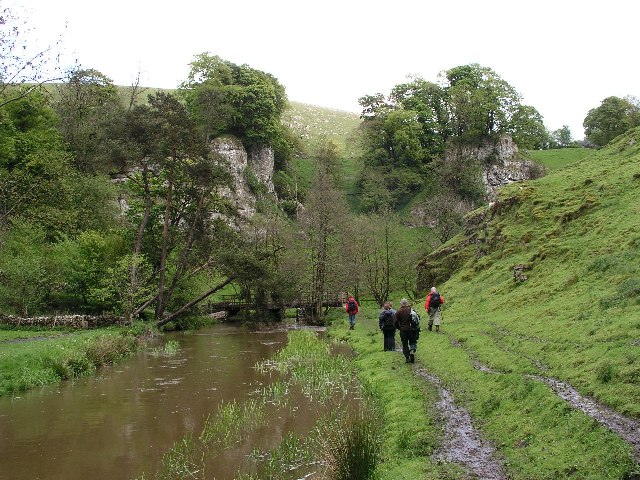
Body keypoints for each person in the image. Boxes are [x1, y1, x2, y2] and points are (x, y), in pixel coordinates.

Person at [394, 298, 418, 363]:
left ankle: (407, 357)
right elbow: (417, 318)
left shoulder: (398, 312)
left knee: (404, 344)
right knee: (412, 341)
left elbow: (395, 322)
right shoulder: (411, 310)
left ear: (401, 304)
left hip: (403, 330)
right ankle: (412, 350)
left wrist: (399, 327)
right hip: (411, 329)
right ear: (406, 303)